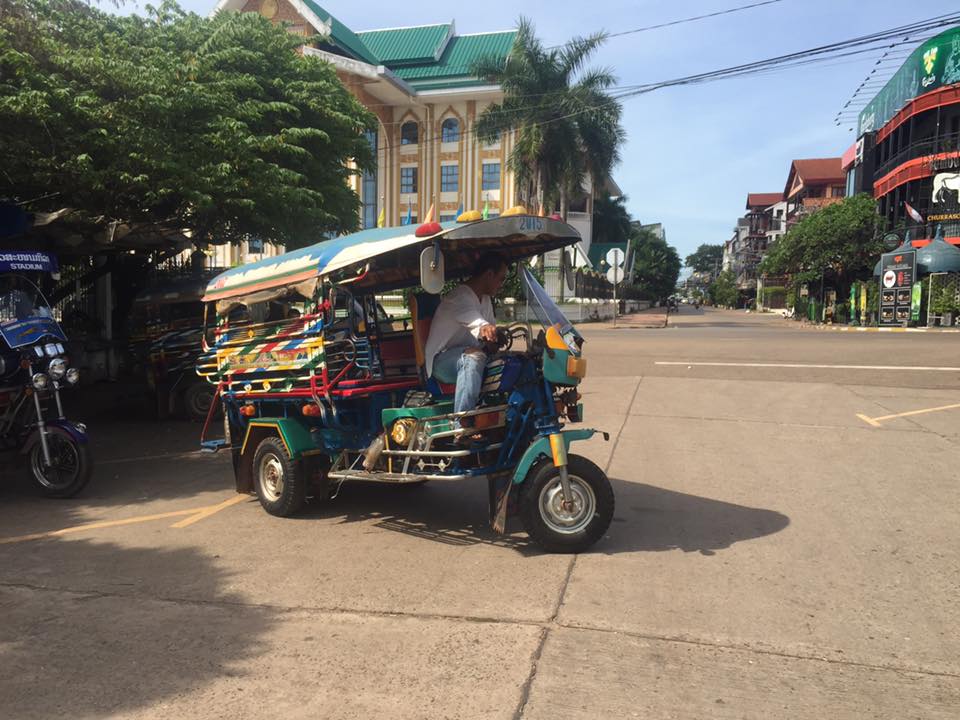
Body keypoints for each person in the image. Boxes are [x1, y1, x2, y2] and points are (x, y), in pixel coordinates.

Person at [424, 251, 507, 426]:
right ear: (489, 274)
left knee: (509, 362)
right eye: (501, 279)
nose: (502, 285)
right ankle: (461, 424)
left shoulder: (485, 300)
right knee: (473, 357)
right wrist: (488, 330)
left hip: (464, 355)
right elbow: (481, 326)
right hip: (441, 361)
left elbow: (490, 337)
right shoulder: (459, 297)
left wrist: (498, 338)